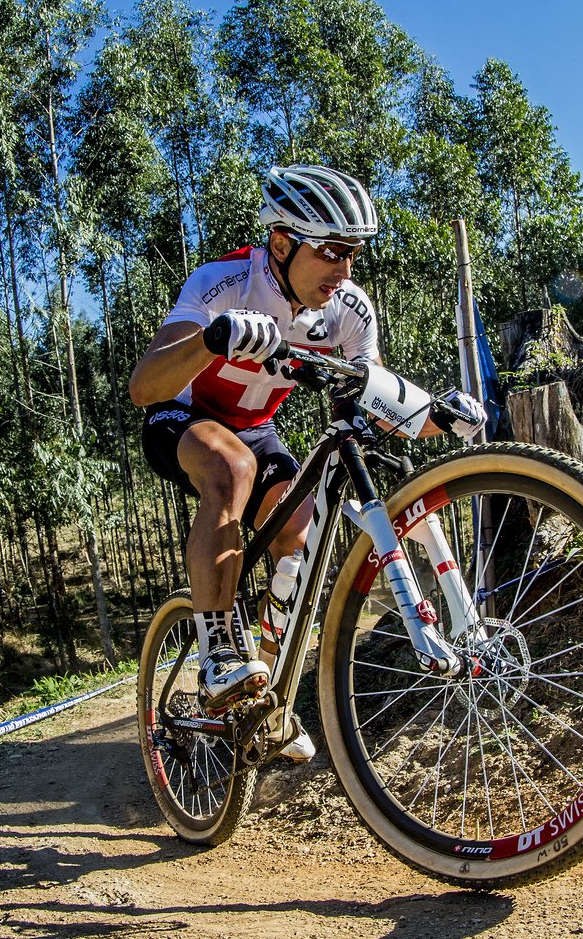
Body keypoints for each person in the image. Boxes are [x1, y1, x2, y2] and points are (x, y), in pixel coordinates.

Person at [128, 165, 478, 759]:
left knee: (300, 526)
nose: (344, 271)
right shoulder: (223, 283)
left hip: (255, 427)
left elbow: (372, 394)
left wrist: (436, 414)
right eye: (332, 252)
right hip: (182, 419)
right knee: (230, 468)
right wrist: (211, 339)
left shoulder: (348, 309)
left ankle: (266, 693)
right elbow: (144, 386)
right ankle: (217, 652)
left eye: (353, 255)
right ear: (283, 243)